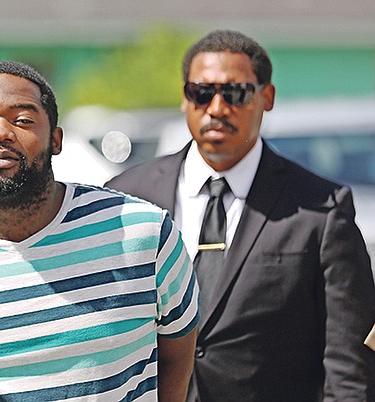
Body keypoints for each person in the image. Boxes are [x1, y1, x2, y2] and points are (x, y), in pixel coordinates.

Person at [0, 60, 200, 401]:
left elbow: (178, 355)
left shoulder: (144, 234)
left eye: (23, 120)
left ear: (56, 140)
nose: (0, 133)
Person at [106, 29, 375, 401]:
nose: (217, 108)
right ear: (185, 99)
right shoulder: (127, 196)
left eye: (234, 93)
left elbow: (348, 363)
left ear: (266, 97)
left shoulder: (321, 208)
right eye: (201, 93)